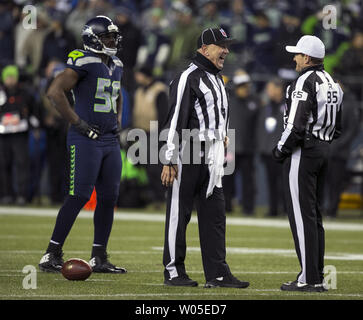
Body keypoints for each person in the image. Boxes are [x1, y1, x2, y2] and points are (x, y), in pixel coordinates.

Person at [160, 27, 250, 289]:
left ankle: (218, 273)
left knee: (215, 216)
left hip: (212, 158)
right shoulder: (188, 76)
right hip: (187, 152)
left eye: (227, 45)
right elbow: (175, 119)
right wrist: (168, 158)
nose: (226, 50)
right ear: (203, 48)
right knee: (179, 214)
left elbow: (217, 116)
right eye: (220, 45)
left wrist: (222, 137)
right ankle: (173, 271)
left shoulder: (217, 79)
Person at [38, 16, 126, 274]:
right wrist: (78, 123)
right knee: (79, 195)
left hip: (109, 138)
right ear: (93, 38)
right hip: (85, 138)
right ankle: (51, 253)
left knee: (109, 198)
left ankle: (99, 256)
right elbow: (54, 92)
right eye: (108, 37)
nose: (113, 41)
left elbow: (117, 94)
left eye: (114, 37)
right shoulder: (82, 59)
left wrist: (117, 119)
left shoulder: (117, 63)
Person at [272, 35, 344, 292]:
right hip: (323, 149)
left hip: (304, 152)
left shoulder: (305, 80)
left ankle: (309, 278)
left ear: (307, 57)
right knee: (313, 217)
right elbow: (338, 127)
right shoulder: (332, 82)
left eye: (297, 54)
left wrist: (280, 149)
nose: (294, 58)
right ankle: (314, 274)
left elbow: (296, 123)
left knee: (302, 217)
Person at [0, 65, 39, 205]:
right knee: (4, 165)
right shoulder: (1, 94)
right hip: (3, 136)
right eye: (7, 77)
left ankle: (22, 195)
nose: (10, 80)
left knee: (22, 164)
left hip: (20, 135)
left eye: (12, 77)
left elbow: (35, 111)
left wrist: (34, 125)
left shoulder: (25, 93)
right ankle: (6, 195)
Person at [224, 69, 259, 214]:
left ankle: (248, 208)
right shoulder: (228, 100)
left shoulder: (255, 102)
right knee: (227, 180)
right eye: (242, 86)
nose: (246, 89)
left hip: (247, 148)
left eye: (247, 86)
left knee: (248, 181)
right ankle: (226, 206)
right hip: (230, 148)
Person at [133, 64, 168, 208]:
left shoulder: (159, 90)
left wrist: (159, 136)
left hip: (155, 134)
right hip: (141, 133)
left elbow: (163, 114)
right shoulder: (139, 91)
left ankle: (161, 197)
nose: (136, 77)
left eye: (139, 74)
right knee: (146, 167)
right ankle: (154, 197)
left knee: (156, 167)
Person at [257, 78, 286, 217]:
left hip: (283, 152)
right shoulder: (265, 107)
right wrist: (262, 149)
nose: (268, 92)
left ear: (278, 89)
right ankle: (273, 209)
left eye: (270, 89)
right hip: (269, 152)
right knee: (272, 183)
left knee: (285, 183)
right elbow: (261, 130)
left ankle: (287, 210)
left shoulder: (287, 107)